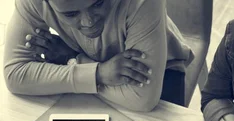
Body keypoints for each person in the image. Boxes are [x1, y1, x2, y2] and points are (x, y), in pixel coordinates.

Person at [3, 0, 194, 111]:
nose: (88, 22)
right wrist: (98, 73)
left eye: (98, 3)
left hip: (164, 69)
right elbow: (15, 75)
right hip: (101, 73)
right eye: (70, 14)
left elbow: (142, 99)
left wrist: (72, 60)